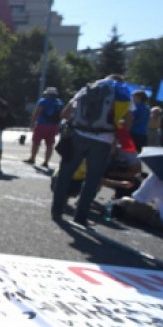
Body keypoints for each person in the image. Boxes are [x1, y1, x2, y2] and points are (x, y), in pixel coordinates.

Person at [51, 74, 134, 226]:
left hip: (77, 136)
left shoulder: (86, 89)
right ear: (121, 82)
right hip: (103, 140)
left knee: (65, 174)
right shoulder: (122, 93)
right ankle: (80, 217)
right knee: (92, 180)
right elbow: (127, 123)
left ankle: (57, 212)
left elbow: (65, 113)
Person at [25, 87, 63, 168]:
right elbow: (61, 115)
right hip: (54, 125)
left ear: (47, 94)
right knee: (50, 144)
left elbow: (37, 112)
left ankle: (32, 158)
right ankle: (46, 162)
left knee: (36, 142)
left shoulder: (43, 101)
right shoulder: (59, 103)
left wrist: (32, 123)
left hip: (42, 124)